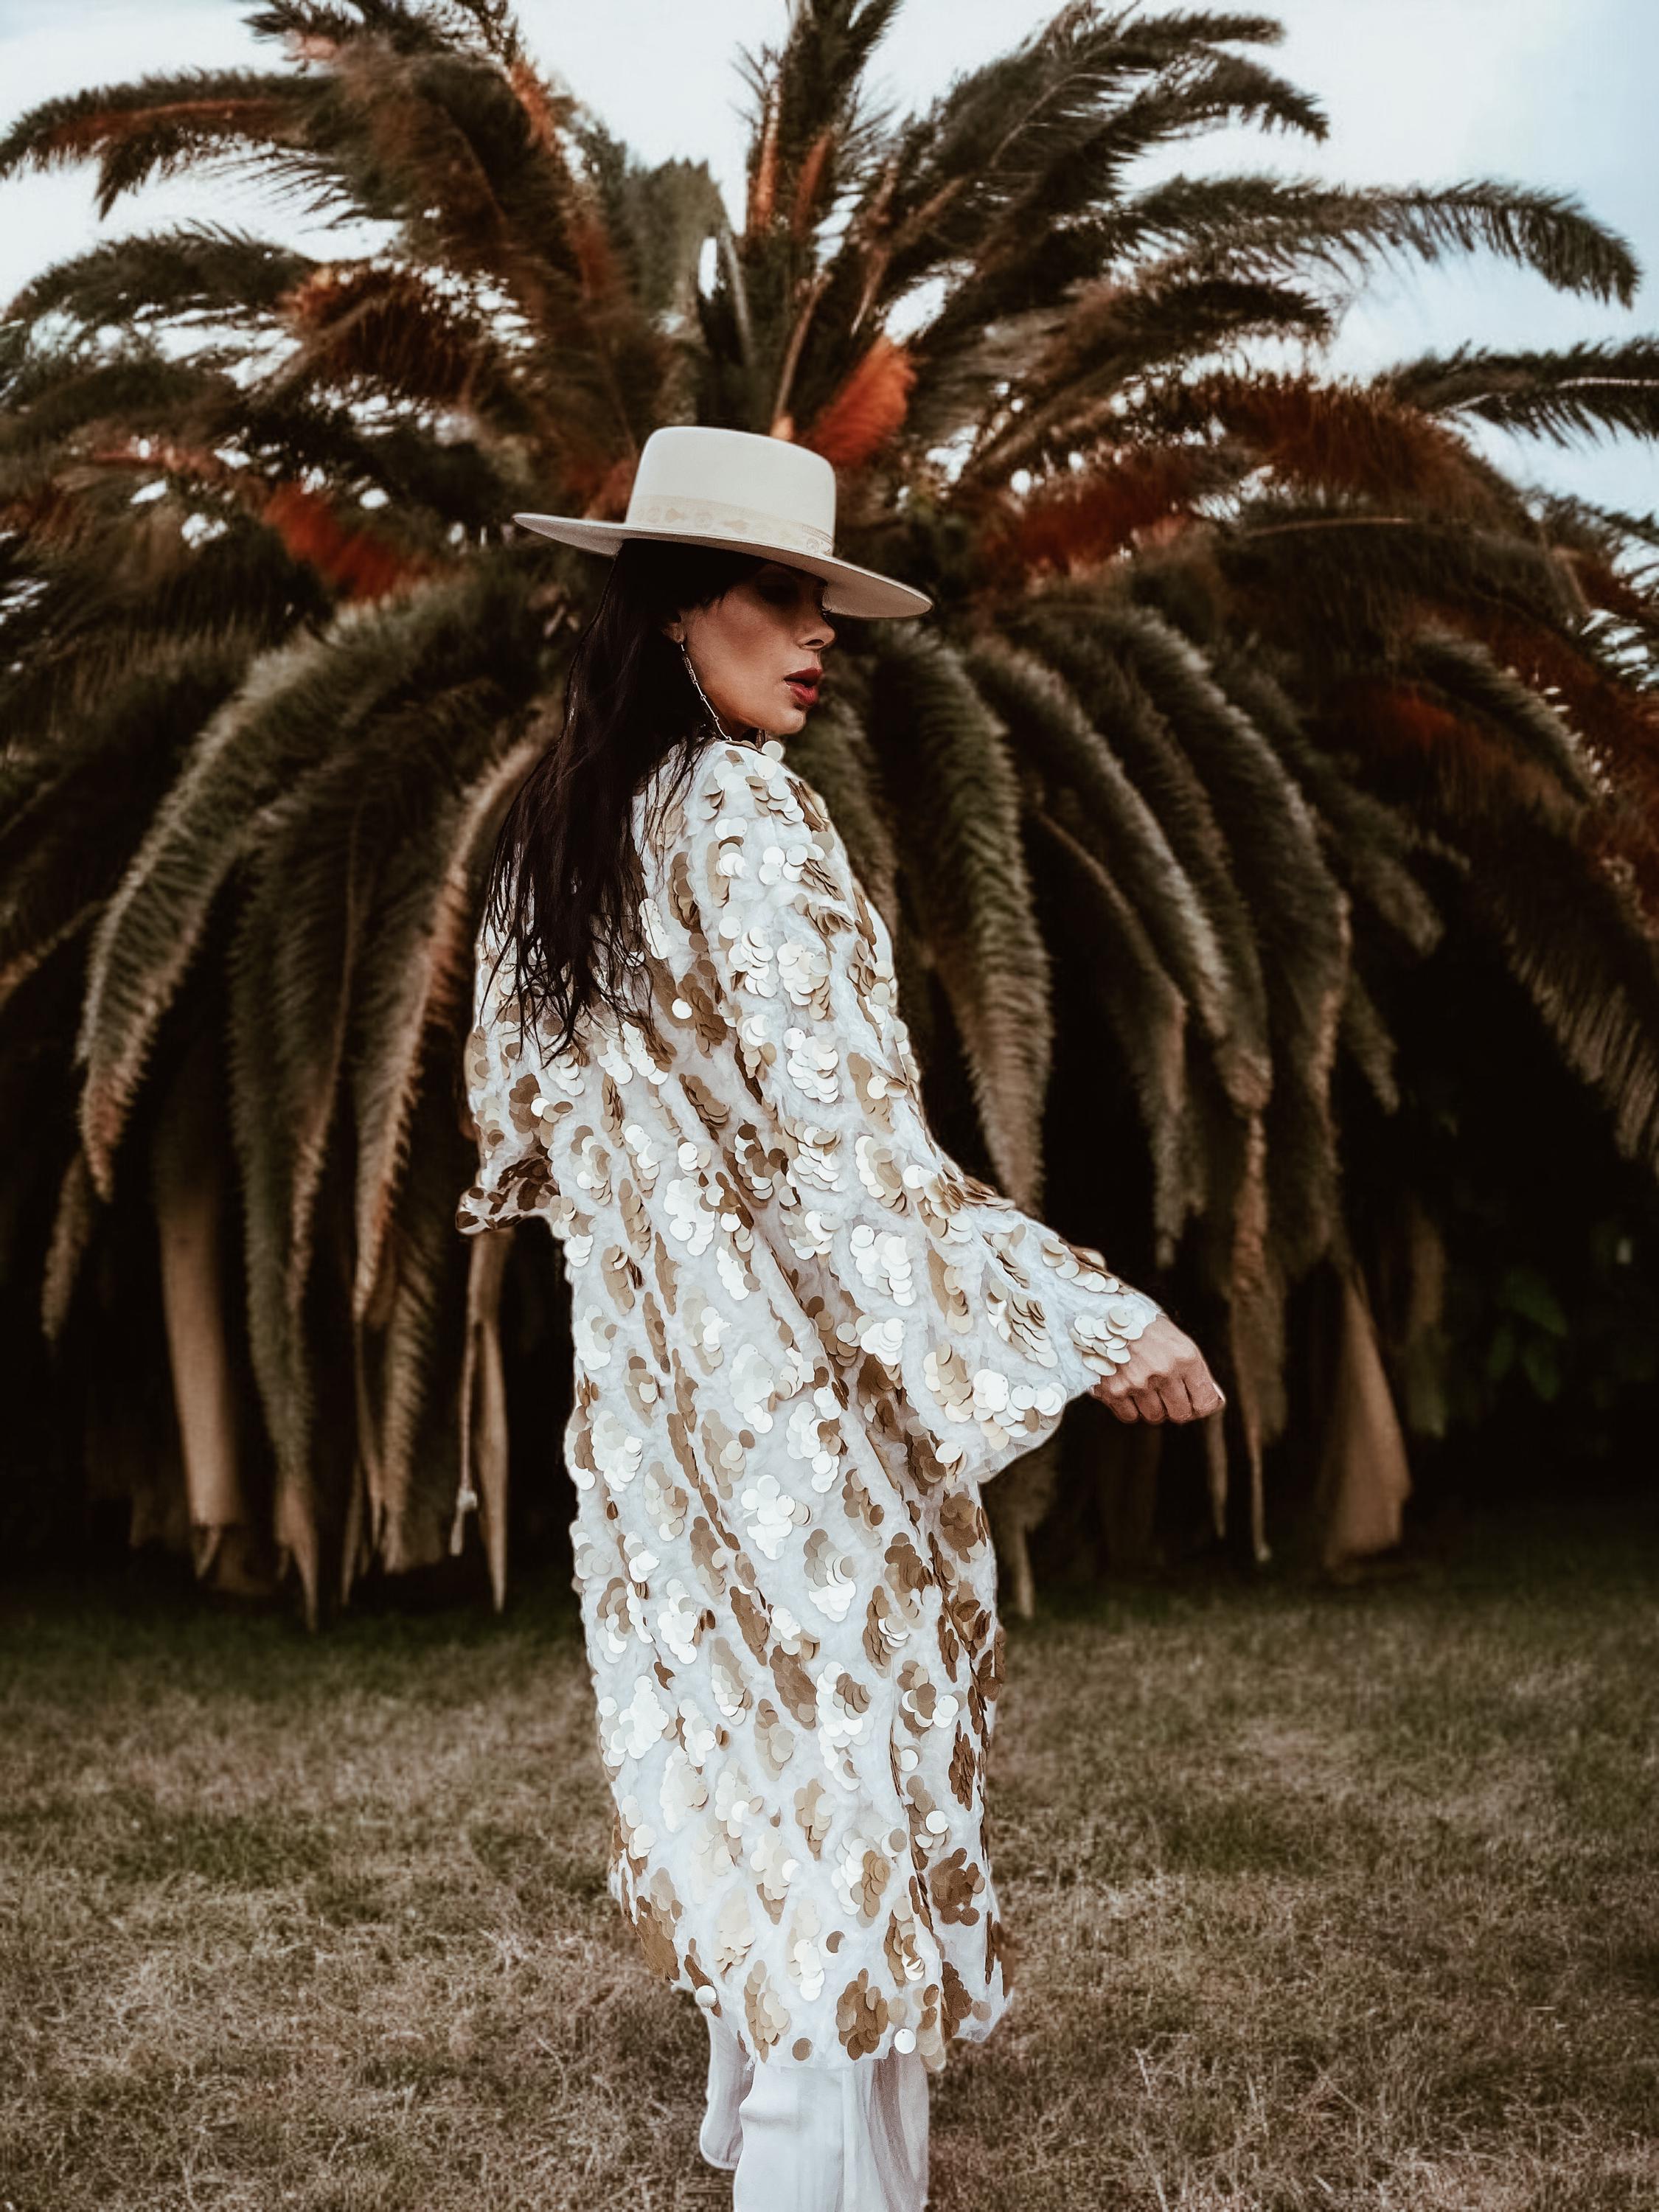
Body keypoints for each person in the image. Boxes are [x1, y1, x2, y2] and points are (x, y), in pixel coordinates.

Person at [455, 426, 1225, 2211]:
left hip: (666, 1410)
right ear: (672, 611)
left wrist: (683, 1300)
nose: (818, 637)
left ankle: (765, 2128)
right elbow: (861, 1163)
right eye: (777, 596)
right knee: (851, 1766)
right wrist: (1091, 1317)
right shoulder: (746, 820)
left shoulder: (551, 848)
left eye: (825, 603)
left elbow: (541, 1142)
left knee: (757, 1749)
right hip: (799, 1402)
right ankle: (819, 2181)